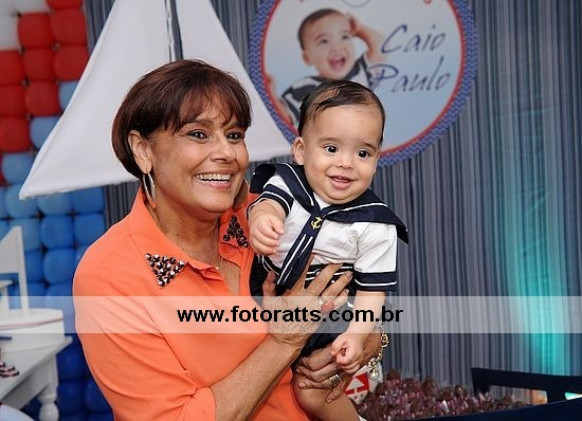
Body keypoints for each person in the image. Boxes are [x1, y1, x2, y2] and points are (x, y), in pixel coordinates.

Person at [73, 59, 383, 421]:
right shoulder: (110, 276)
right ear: (143, 150)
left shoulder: (266, 220)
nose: (226, 153)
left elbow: (355, 301)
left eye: (234, 135)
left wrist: (368, 340)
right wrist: (284, 341)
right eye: (198, 134)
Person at [249, 80, 408, 420]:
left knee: (313, 389)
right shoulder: (287, 183)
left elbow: (372, 292)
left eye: (363, 153)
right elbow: (267, 205)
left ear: (377, 158)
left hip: (328, 317)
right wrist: (262, 220)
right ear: (301, 150)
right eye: (332, 148)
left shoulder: (376, 224)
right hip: (260, 297)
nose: (346, 162)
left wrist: (357, 335)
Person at [268, 8, 387, 127]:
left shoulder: (360, 72)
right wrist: (270, 93)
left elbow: (382, 49)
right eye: (324, 41)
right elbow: (285, 118)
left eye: (344, 37)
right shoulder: (305, 88)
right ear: (307, 58)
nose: (336, 47)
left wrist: (359, 30)